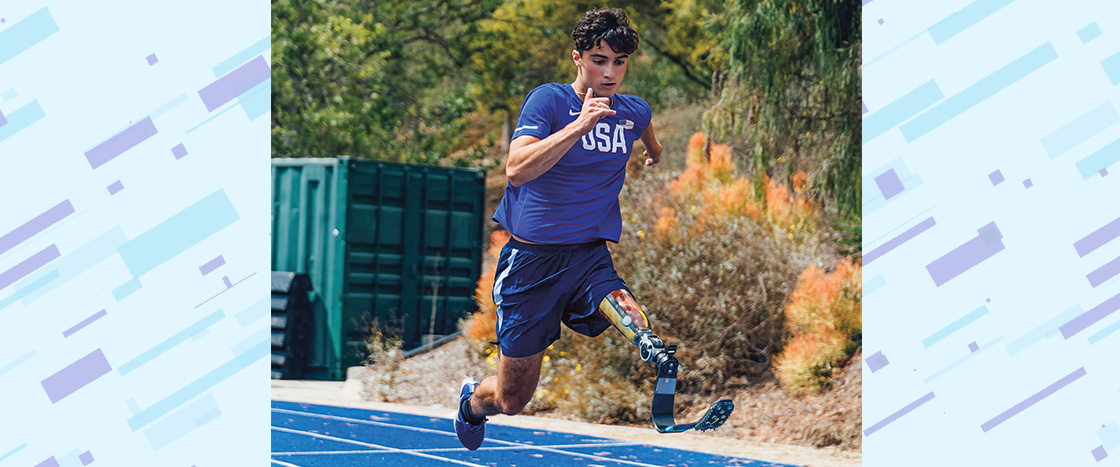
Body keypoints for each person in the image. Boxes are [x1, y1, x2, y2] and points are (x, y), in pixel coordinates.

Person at [454, 8, 668, 450]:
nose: (609, 73)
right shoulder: (549, 102)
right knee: (512, 400)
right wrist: (580, 125)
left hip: (589, 254)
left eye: (619, 61)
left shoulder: (633, 110)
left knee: (613, 290)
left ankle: (647, 341)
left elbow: (647, 131)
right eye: (598, 59)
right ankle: (472, 403)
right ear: (577, 58)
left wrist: (653, 151)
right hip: (531, 262)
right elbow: (516, 169)